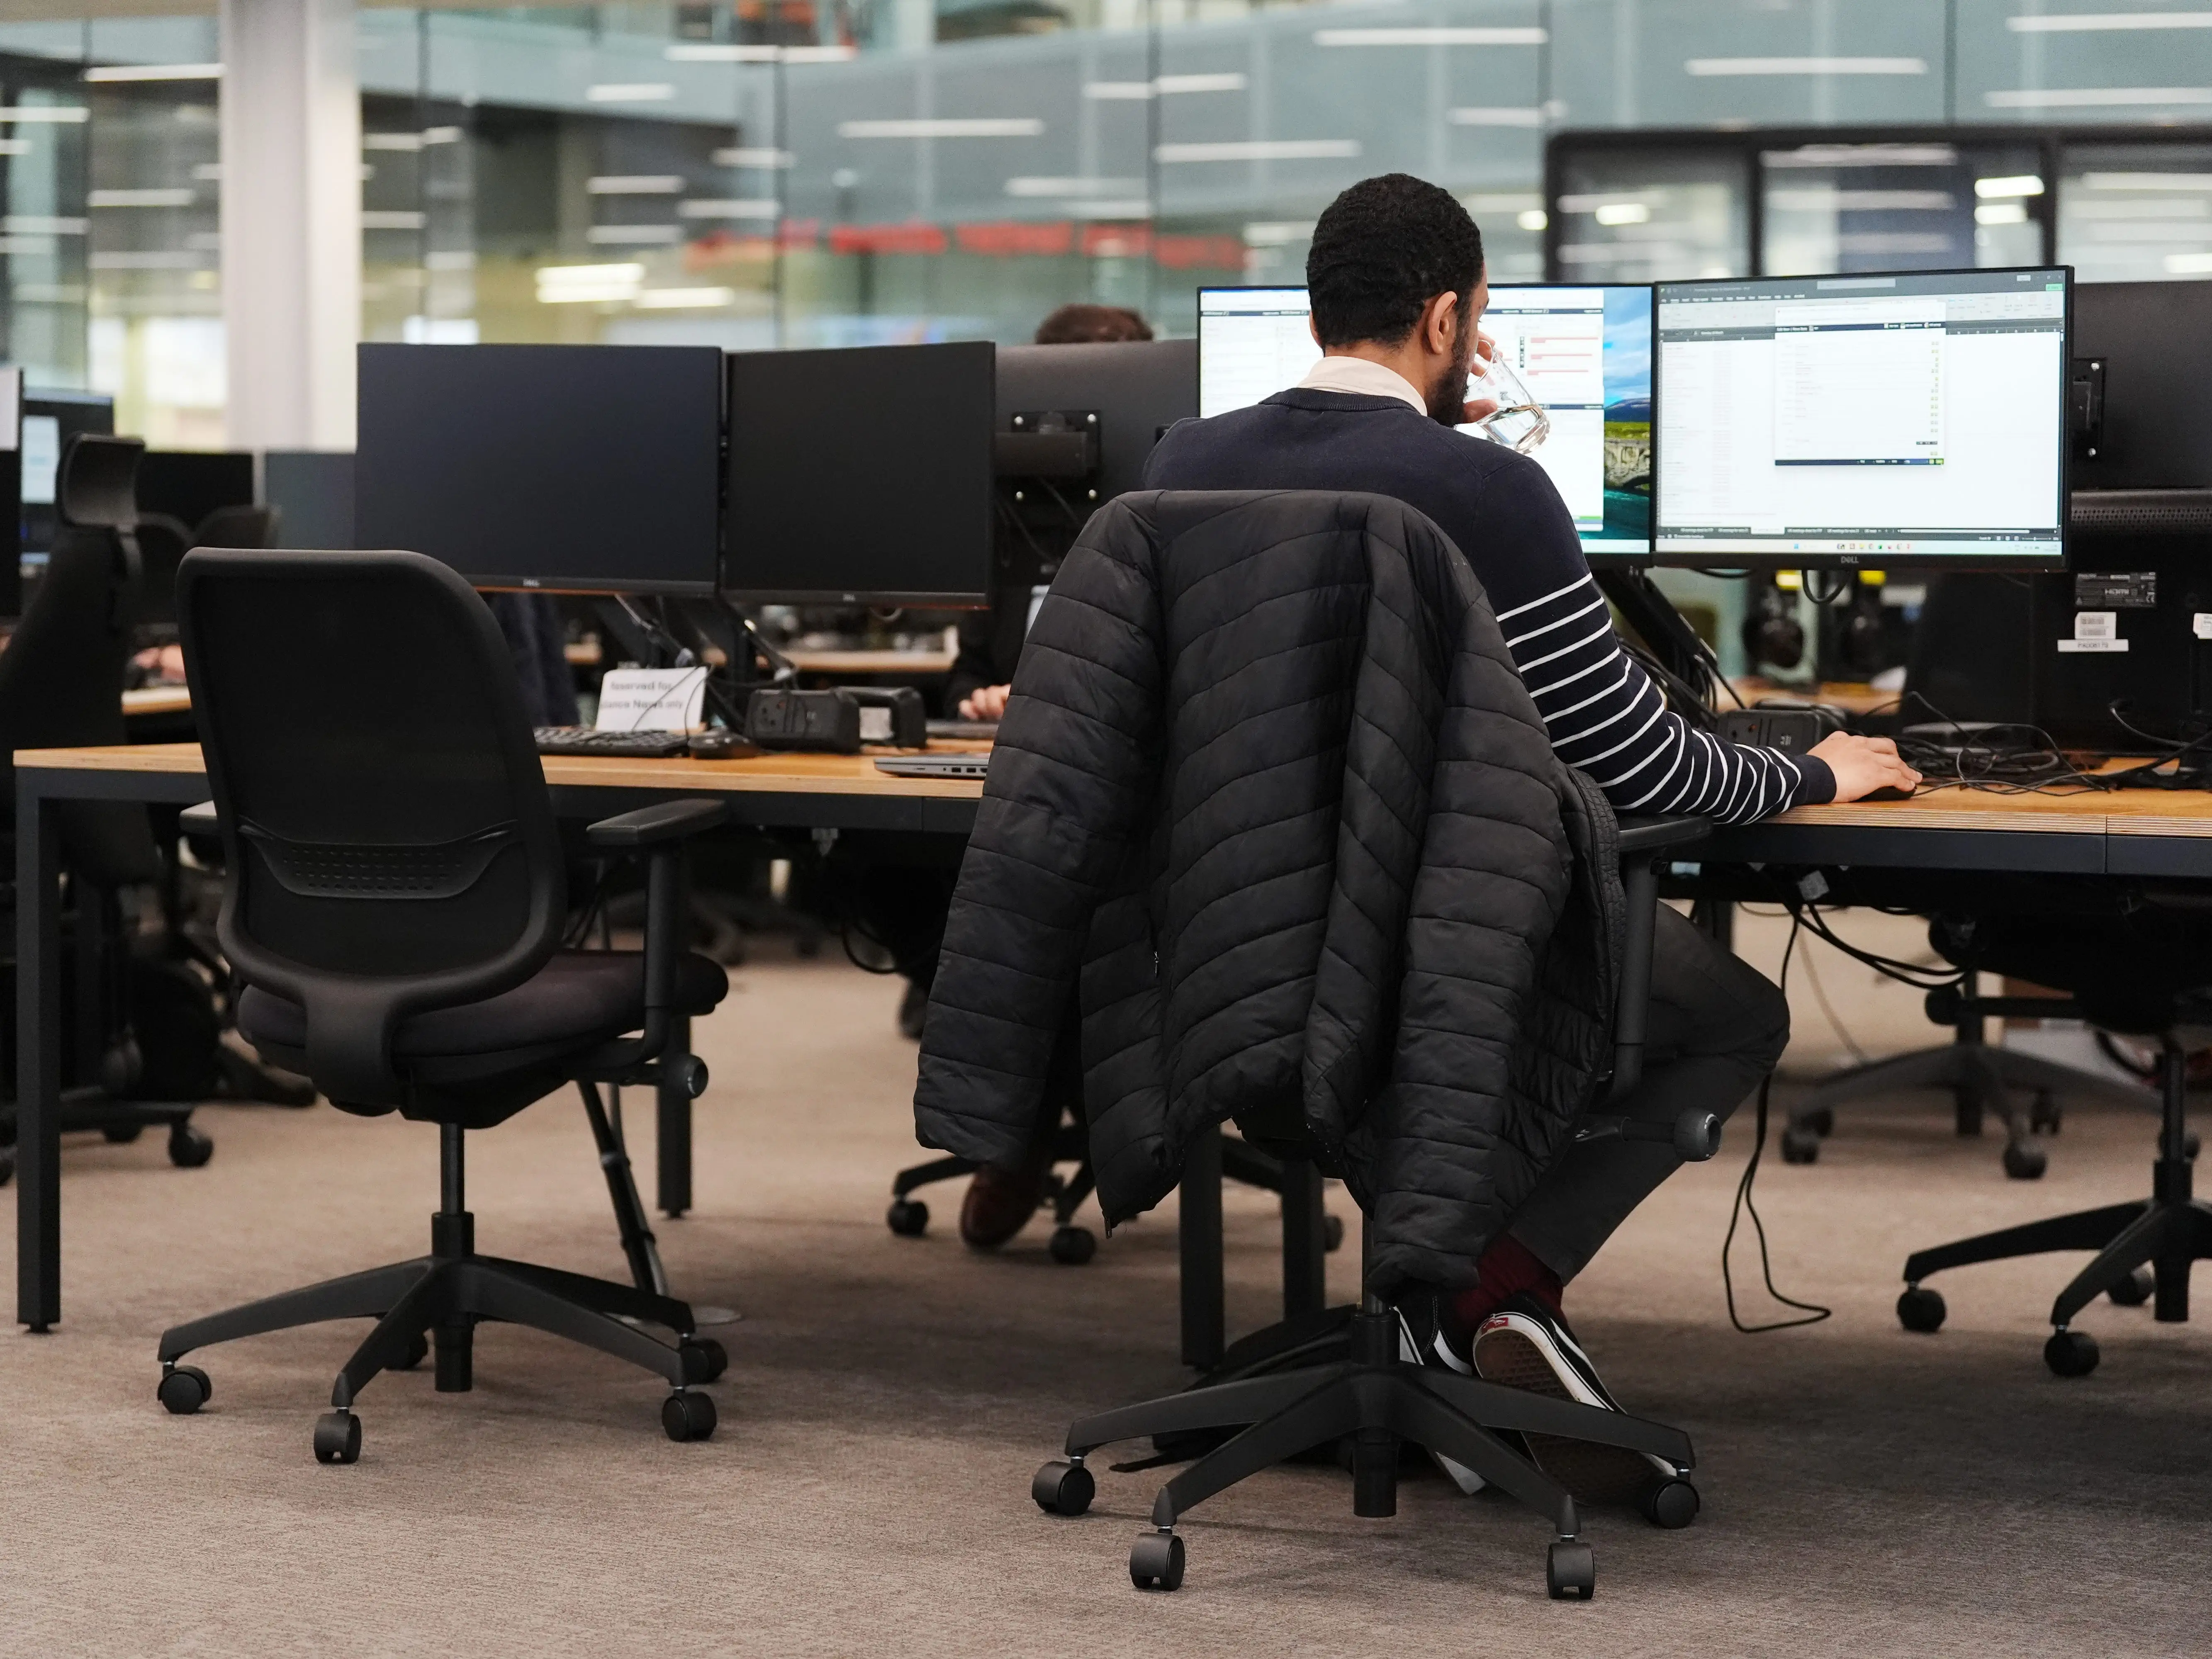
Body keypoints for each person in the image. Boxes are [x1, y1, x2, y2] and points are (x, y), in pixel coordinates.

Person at [1141, 172, 1919, 1502]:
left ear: (1317, 313)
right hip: (1444, 949)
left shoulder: (1178, 469)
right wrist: (1819, 774)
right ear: (1447, 319)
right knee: (1728, 1015)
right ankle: (1494, 1290)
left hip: (1242, 949)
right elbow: (1635, 759)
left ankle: (1433, 1307)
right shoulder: (1489, 491)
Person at [900, 301, 1157, 1249]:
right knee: (888, 876)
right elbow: (966, 673)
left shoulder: (1164, 537)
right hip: (1005, 794)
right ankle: (1028, 1114)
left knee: (1061, 902)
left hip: (1122, 806)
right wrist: (982, 701)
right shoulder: (1010, 537)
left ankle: (1019, 1128)